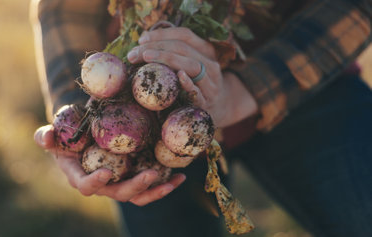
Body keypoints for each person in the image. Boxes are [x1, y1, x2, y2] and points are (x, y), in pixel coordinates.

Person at [31, 0, 372, 236]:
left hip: (299, 74)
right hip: (147, 126)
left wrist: (243, 91)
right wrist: (78, 120)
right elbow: (65, 8)